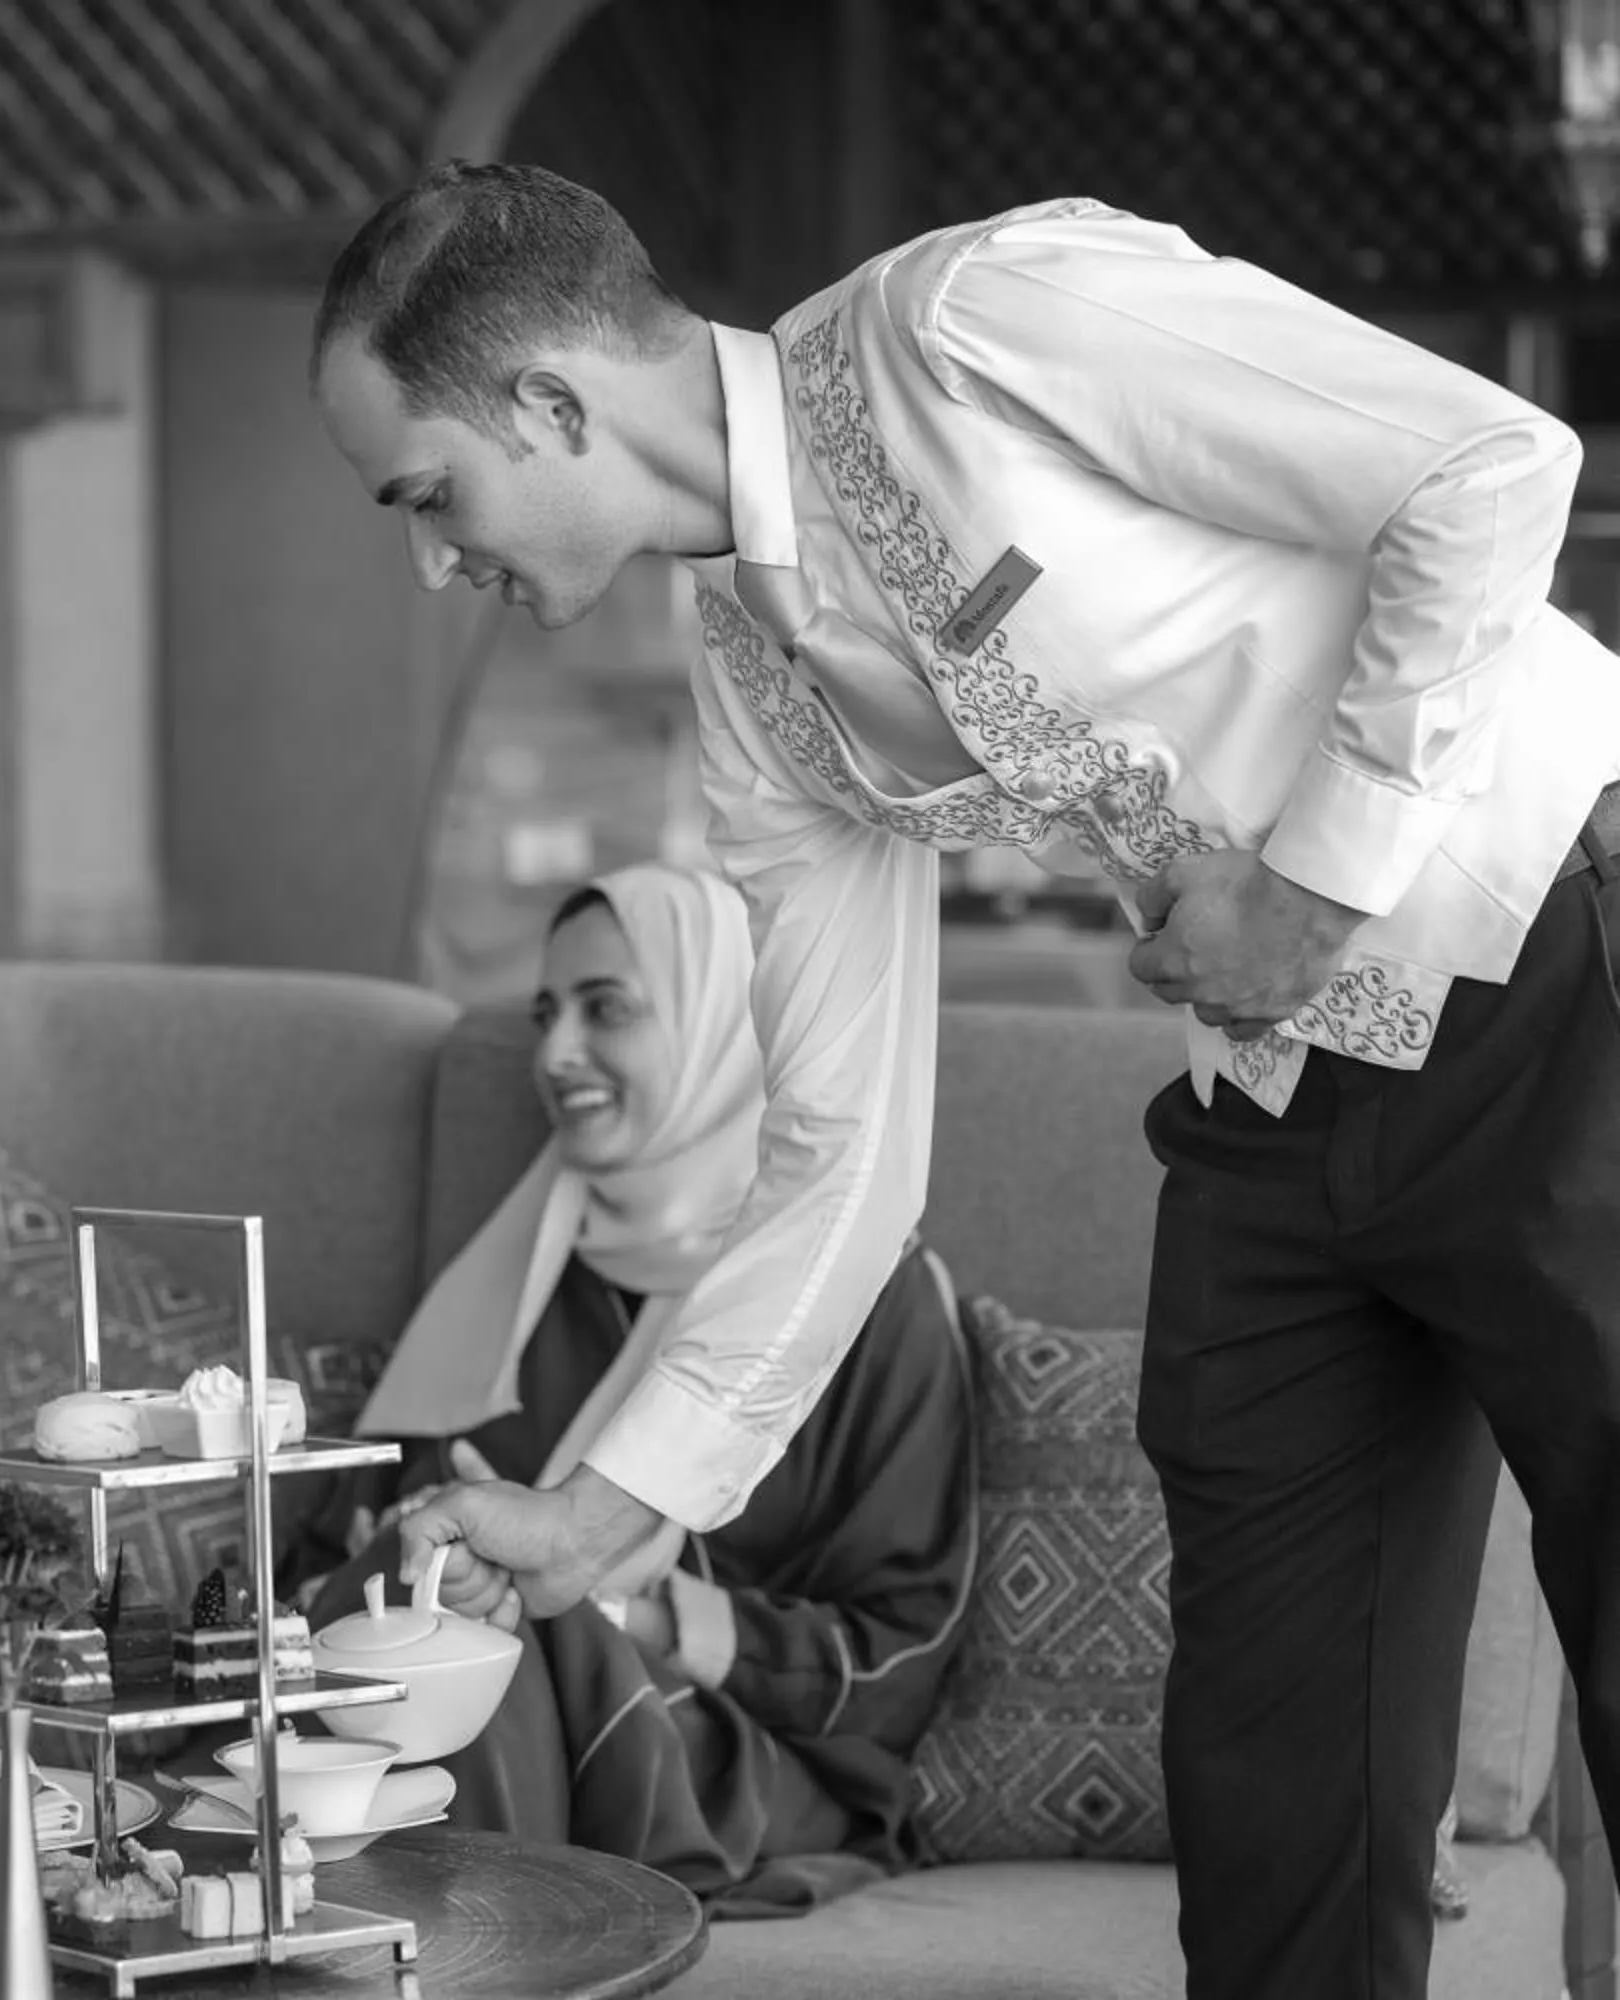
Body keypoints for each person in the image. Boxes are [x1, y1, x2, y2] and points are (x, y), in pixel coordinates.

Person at [310, 160, 1620, 1998]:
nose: (436, 559)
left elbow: (1491, 472)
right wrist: (598, 1513)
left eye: (429, 495)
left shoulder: (984, 321)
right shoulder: (753, 695)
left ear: (551, 404)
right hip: (1267, 1099)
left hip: (1557, 953)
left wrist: (1318, 883)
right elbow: (842, 1155)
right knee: (1271, 1777)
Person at [294, 864, 970, 1913]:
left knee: (504, 1647)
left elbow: (902, 1662)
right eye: (545, 1014)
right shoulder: (514, 1278)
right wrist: (426, 1560)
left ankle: (457, 1946)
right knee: (464, 1640)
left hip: (748, 1760)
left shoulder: (870, 1301)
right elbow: (337, 1570)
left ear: (722, 1027)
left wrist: (621, 1606)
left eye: (606, 1007)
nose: (556, 1053)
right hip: (490, 1735)